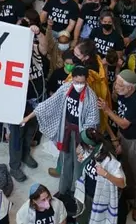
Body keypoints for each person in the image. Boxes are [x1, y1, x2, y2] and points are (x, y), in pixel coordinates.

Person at [26, 65, 101, 197]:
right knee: (66, 159)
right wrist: (29, 117)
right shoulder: (66, 89)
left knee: (79, 164)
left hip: (81, 133)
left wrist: (83, 143)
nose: (79, 85)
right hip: (66, 130)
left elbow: (92, 122)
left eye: (82, 82)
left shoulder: (91, 97)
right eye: (76, 82)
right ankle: (63, 189)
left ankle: (75, 191)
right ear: (72, 79)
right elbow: (49, 103)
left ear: (86, 81)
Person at [73, 131, 124, 224]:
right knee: (83, 213)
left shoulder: (109, 160)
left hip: (102, 199)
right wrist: (79, 154)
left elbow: (122, 183)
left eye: (83, 145)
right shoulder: (89, 151)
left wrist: (105, 174)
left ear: (91, 146)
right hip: (87, 192)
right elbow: (80, 153)